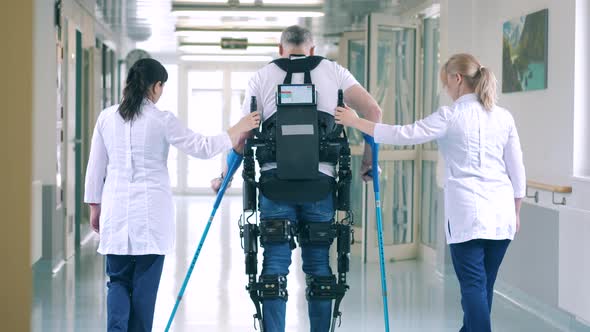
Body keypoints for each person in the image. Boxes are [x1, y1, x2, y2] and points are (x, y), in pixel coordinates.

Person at [335, 53, 526, 332]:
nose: (446, 89)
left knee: (473, 288)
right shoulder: (503, 117)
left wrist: (355, 121)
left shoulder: (451, 116)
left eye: (446, 82)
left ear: (457, 79)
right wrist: (517, 212)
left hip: (469, 215)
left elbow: (403, 134)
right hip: (503, 216)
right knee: (484, 287)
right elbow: (517, 170)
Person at [212, 25, 382, 332]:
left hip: (275, 187)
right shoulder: (334, 72)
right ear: (313, 50)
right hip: (321, 185)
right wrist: (369, 162)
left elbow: (243, 137)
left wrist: (224, 177)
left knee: (274, 267)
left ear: (281, 50)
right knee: (318, 267)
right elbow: (373, 110)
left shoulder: (262, 77)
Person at [84, 58, 260, 332]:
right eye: (161, 87)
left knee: (117, 281)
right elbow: (202, 147)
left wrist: (95, 207)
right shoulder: (161, 120)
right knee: (144, 288)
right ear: (155, 86)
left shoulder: (107, 117)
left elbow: (95, 167)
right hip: (151, 218)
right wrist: (238, 128)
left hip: (115, 214)